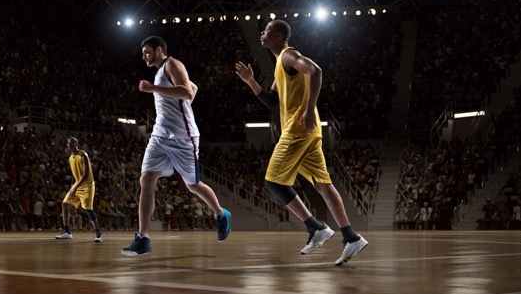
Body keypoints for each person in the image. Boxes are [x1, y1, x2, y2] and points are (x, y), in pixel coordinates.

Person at [234, 19, 369, 265]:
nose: (262, 33)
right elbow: (271, 101)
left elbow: (316, 71)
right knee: (323, 186)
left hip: (298, 130)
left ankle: (315, 227)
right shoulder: (279, 64)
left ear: (277, 36)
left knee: (273, 182)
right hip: (307, 132)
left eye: (266, 30)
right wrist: (250, 81)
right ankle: (351, 237)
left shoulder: (288, 55)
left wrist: (308, 109)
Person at [122, 37, 231, 256]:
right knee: (146, 180)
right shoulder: (161, 71)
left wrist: (154, 88)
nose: (143, 56)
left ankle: (221, 213)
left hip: (183, 137)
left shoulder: (172, 64)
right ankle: (143, 238)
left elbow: (188, 92)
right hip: (160, 135)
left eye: (146, 52)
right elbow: (194, 87)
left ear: (158, 50)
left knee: (193, 185)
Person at [55, 137, 102, 242]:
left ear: (76, 143)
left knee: (88, 209)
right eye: (67, 143)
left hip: (87, 185)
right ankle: (67, 232)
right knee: (65, 204)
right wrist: (73, 187)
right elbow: (74, 175)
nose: (68, 144)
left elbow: (85, 175)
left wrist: (74, 187)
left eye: (70, 142)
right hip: (77, 184)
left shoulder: (83, 155)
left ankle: (98, 234)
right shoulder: (70, 158)